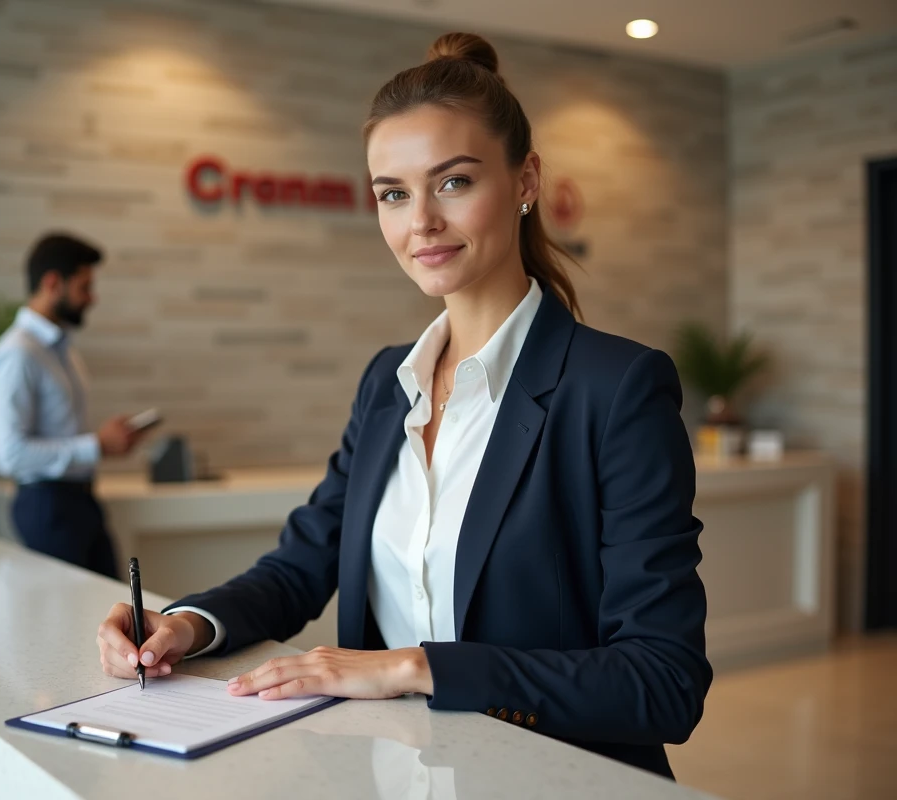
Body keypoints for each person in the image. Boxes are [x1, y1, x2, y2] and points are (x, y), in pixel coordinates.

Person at [97, 32, 710, 779]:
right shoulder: (389, 382)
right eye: (392, 192)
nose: (418, 221)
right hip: (391, 776)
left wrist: (415, 668)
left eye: (452, 182)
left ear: (526, 181)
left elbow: (663, 683)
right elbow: (302, 564)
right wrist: (187, 624)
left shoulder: (618, 390)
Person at [0, 233, 146, 578]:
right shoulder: (18, 353)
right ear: (53, 283)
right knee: (71, 621)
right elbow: (10, 454)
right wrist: (97, 445)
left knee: (110, 613)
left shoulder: (61, 349)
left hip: (80, 502)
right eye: (85, 287)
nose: (92, 298)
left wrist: (106, 443)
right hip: (48, 508)